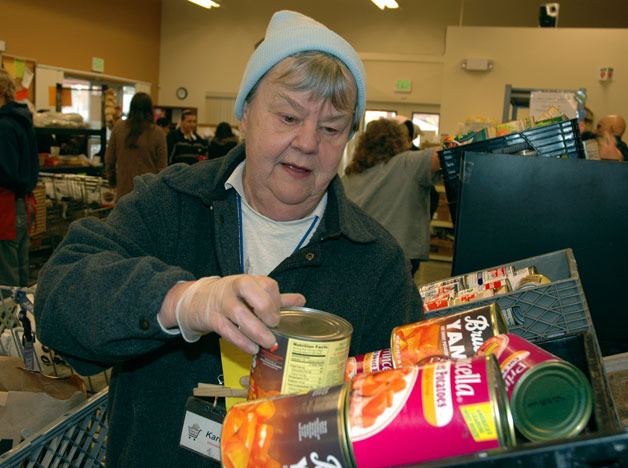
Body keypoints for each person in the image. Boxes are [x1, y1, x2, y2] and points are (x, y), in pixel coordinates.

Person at [34, 10, 422, 467]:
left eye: (332, 128)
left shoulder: (374, 262)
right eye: (288, 116)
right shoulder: (171, 205)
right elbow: (60, 298)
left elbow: (402, 420)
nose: (307, 142)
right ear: (245, 113)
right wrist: (183, 301)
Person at [343, 118, 440, 276]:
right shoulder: (407, 163)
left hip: (358, 254)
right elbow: (445, 154)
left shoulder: (350, 175)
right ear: (399, 141)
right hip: (397, 256)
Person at [0, 69, 39, 286]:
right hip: (22, 205)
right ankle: (23, 319)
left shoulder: (3, 125)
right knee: (21, 269)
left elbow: (7, 173)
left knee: (7, 277)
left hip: (7, 207)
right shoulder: (23, 121)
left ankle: (12, 319)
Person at [104, 92, 167, 201]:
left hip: (124, 191)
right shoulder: (158, 133)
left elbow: (109, 159)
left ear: (131, 108)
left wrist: (112, 180)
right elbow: (162, 168)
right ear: (150, 110)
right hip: (148, 193)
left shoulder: (118, 127)